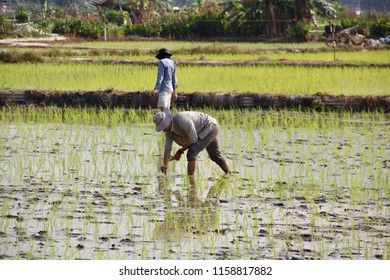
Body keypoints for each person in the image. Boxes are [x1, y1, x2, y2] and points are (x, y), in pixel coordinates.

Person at [153, 108, 230, 176]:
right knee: (215, 156)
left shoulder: (182, 120)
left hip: (210, 126)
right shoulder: (168, 132)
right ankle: (229, 173)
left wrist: (180, 151)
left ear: (167, 122)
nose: (163, 129)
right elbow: (167, 148)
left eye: (163, 126)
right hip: (201, 131)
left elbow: (193, 139)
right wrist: (165, 165)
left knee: (192, 152)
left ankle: (190, 180)